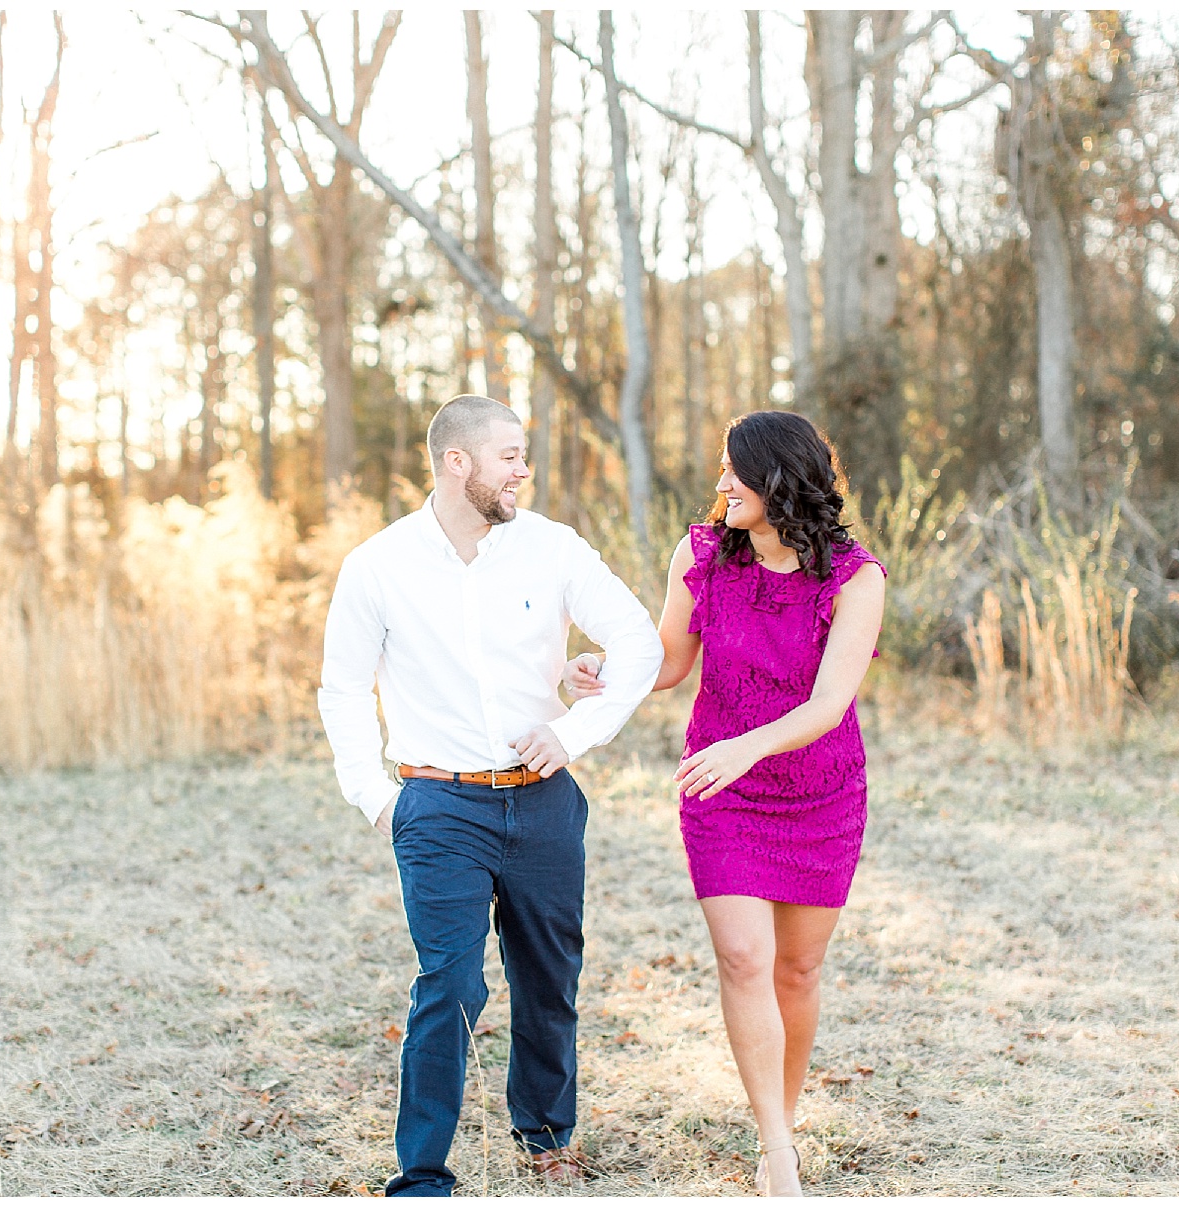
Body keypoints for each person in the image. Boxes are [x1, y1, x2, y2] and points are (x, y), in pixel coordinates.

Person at [318, 394, 663, 1197]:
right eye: (509, 454)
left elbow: (638, 640)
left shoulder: (552, 548)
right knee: (450, 981)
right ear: (456, 463)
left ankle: (546, 1132)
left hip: (543, 799)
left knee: (548, 972)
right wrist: (375, 796)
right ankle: (423, 1172)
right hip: (438, 805)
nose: (524, 469)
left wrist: (575, 732)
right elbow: (342, 688)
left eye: (523, 454)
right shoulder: (378, 564)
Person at [566, 410, 886, 1196]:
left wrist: (750, 743)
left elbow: (829, 702)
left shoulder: (856, 577)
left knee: (800, 969)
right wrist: (602, 669)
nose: (720, 486)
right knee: (745, 958)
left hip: (820, 792)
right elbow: (672, 661)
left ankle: (785, 1111)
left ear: (780, 479)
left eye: (735, 472)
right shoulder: (702, 554)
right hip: (723, 791)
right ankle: (777, 1149)